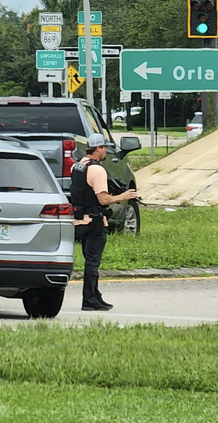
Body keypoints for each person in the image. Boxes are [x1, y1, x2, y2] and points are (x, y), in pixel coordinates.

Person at [70, 133, 138, 311]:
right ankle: (89, 300)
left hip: (79, 220)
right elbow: (103, 199)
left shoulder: (77, 166)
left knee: (89, 260)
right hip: (94, 222)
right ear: (98, 148)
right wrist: (123, 196)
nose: (106, 151)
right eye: (104, 148)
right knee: (93, 263)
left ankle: (95, 296)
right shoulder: (98, 170)